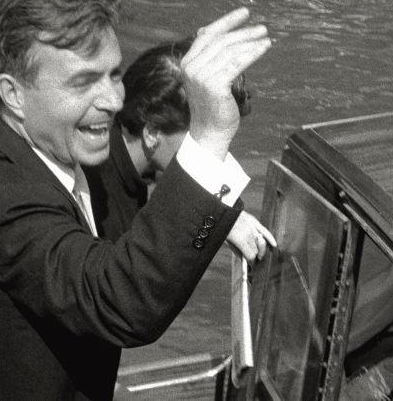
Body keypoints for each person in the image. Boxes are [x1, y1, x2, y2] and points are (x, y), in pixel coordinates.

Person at [0, 0, 273, 400]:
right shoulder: (8, 203)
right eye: (83, 83)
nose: (114, 101)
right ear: (14, 94)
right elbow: (124, 302)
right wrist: (208, 134)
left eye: (114, 75)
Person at [90, 37, 274, 256]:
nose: (218, 157)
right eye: (201, 139)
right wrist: (212, 221)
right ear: (152, 133)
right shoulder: (102, 208)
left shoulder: (125, 157)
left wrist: (219, 215)